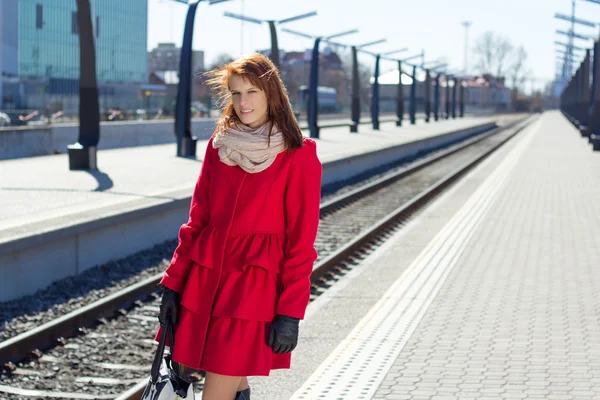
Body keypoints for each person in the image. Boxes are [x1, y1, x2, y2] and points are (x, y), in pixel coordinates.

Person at [155, 53, 322, 400]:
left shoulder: (298, 154)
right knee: (231, 382)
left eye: (252, 92)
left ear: (271, 94)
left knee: (216, 389)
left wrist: (290, 311)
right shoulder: (220, 146)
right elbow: (197, 221)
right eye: (236, 94)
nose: (243, 103)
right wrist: (173, 284)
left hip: (252, 293)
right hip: (206, 280)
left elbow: (301, 243)